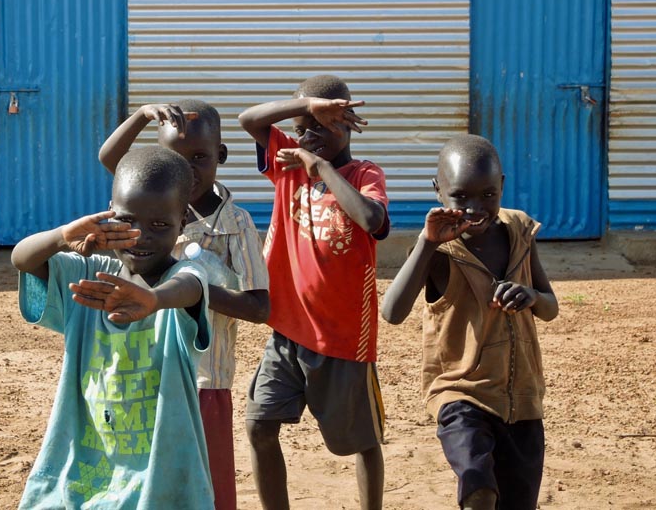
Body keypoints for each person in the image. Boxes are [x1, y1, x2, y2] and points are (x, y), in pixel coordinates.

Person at [11, 145, 214, 510]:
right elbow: (22, 258)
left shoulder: (179, 279)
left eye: (159, 225)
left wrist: (154, 300)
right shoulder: (87, 274)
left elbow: (192, 286)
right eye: (128, 221)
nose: (141, 236)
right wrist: (62, 235)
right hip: (84, 467)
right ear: (109, 212)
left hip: (160, 476)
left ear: (182, 221)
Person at [98, 99, 270, 510]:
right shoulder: (150, 210)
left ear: (221, 157)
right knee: (145, 480)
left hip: (204, 379)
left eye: (200, 158)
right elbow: (110, 158)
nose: (187, 171)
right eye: (174, 159)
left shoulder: (237, 224)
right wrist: (141, 116)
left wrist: (195, 290)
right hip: (146, 373)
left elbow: (260, 308)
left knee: (205, 486)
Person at [380, 134, 559, 510]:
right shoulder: (439, 249)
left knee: (517, 501)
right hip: (461, 394)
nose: (475, 208)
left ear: (502, 187)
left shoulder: (520, 231)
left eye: (488, 195)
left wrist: (531, 296)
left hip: (522, 399)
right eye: (461, 197)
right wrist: (427, 244)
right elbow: (392, 312)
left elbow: (550, 307)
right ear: (438, 191)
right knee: (478, 489)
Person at [238, 74, 390, 510]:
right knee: (259, 426)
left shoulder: (365, 173)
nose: (309, 136)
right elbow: (249, 119)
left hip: (343, 339)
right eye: (304, 127)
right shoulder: (287, 162)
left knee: (362, 441)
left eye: (322, 126)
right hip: (287, 330)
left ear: (347, 123)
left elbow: (371, 220)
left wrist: (321, 166)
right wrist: (306, 105)